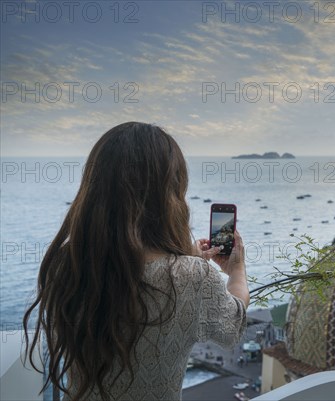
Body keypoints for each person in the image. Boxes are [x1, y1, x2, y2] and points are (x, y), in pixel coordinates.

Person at [22, 122, 249, 401]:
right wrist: (236, 270)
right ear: (170, 194)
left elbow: (129, 276)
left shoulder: (66, 264)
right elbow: (232, 327)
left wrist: (184, 259)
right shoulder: (192, 276)